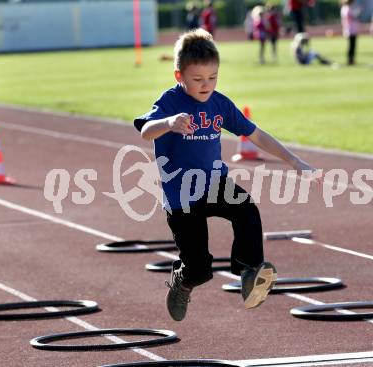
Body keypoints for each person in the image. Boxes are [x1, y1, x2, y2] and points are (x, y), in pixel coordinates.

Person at [133, 28, 322, 322]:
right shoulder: (170, 102)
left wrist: (294, 160)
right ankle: (183, 281)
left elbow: (256, 135)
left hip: (214, 183)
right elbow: (146, 132)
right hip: (181, 194)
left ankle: (250, 271)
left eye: (213, 77)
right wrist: (169, 122)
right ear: (179, 76)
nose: (206, 84)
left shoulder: (219, 104)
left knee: (246, 210)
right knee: (199, 269)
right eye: (197, 79)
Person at [340, 0, 360, 65]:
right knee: (352, 46)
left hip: (348, 29)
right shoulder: (348, 9)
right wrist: (358, 12)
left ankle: (351, 60)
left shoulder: (343, 8)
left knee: (351, 46)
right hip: (351, 29)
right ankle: (350, 60)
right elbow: (353, 17)